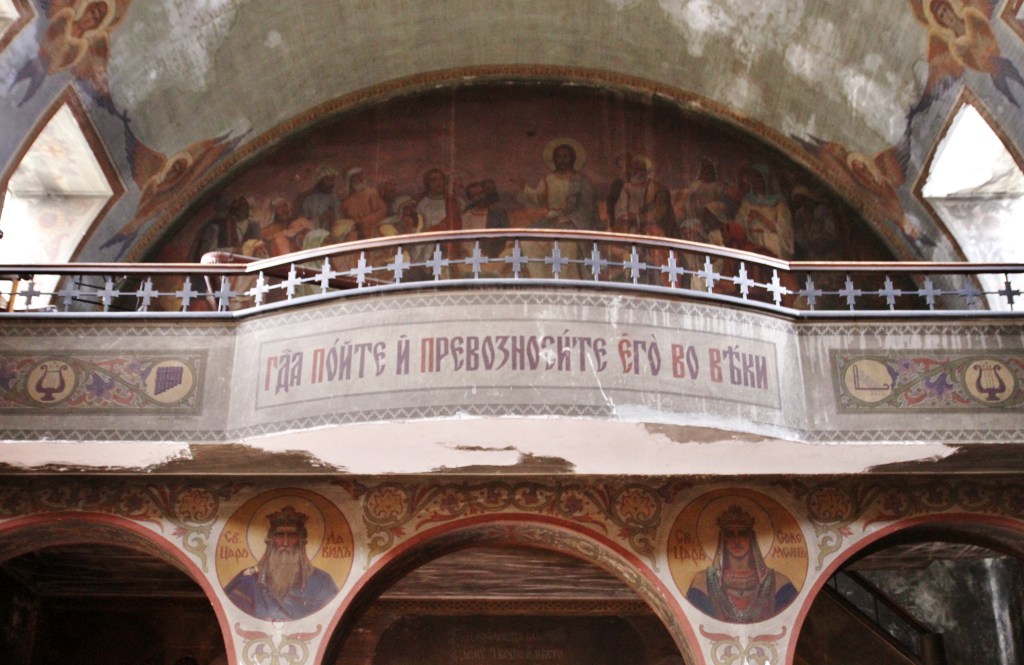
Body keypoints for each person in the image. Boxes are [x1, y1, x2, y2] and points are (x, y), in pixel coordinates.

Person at [224, 506, 339, 621]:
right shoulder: (249, 580)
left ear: (301, 542)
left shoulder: (322, 582)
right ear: (271, 541)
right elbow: (232, 615)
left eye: (291, 536)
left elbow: (332, 617)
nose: (285, 543)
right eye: (279, 535)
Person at [686, 505, 797, 623]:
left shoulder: (777, 582)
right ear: (723, 539)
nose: (737, 540)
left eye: (742, 534)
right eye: (730, 534)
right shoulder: (703, 582)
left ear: (751, 538)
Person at [511, 139, 599, 278]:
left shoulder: (582, 181)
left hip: (573, 224)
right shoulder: (548, 179)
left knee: (567, 245)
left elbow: (588, 208)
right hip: (549, 221)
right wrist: (523, 186)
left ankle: (566, 281)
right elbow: (537, 198)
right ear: (553, 159)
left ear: (573, 158)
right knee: (528, 242)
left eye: (565, 156)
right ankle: (539, 280)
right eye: (558, 156)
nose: (562, 160)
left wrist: (569, 218)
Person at [190, 195, 261, 261]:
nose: (246, 210)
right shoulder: (216, 227)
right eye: (242, 206)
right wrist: (233, 250)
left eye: (249, 207)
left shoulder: (253, 227)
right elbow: (205, 253)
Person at [342, 167, 388, 239]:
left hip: (371, 232)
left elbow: (382, 211)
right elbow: (345, 219)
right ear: (351, 181)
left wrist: (363, 220)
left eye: (361, 177)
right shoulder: (347, 201)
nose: (360, 179)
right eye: (356, 178)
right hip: (354, 235)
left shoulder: (372, 193)